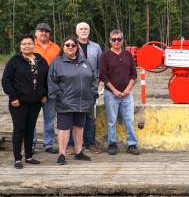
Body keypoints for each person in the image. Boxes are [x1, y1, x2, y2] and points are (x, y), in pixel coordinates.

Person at [48, 37, 99, 165]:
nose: (70, 47)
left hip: (83, 101)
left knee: (79, 127)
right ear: (63, 47)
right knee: (64, 128)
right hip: (65, 101)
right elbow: (51, 81)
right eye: (67, 45)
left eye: (73, 45)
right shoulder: (57, 62)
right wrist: (58, 95)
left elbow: (93, 79)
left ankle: (79, 152)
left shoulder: (84, 62)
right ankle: (62, 154)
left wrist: (93, 93)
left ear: (77, 48)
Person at [2, 34, 49, 169]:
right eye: (24, 44)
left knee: (30, 129)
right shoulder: (14, 61)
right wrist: (13, 97)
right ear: (20, 46)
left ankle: (29, 156)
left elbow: (46, 79)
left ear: (34, 45)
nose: (27, 46)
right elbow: (6, 80)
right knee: (19, 129)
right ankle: (18, 158)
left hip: (36, 101)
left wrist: (45, 94)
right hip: (19, 101)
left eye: (29, 43)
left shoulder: (41, 60)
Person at [99, 30, 140, 155]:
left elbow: (134, 73)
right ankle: (112, 144)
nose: (116, 41)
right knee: (111, 120)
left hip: (127, 93)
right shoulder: (105, 55)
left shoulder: (128, 55)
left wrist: (128, 88)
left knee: (129, 119)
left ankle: (132, 144)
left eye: (119, 39)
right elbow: (103, 75)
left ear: (122, 40)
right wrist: (114, 90)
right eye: (114, 39)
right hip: (111, 94)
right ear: (110, 41)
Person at [66, 22, 102, 155]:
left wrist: (97, 81)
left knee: (89, 116)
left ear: (89, 31)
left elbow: (100, 66)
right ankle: (70, 145)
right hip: (72, 87)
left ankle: (89, 143)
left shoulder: (96, 47)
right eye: (81, 28)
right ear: (76, 31)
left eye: (85, 28)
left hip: (90, 87)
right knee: (71, 114)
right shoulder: (70, 45)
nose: (83, 30)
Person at [32, 23, 60, 154]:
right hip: (33, 88)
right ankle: (30, 144)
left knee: (50, 118)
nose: (44, 33)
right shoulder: (29, 45)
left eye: (47, 31)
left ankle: (48, 144)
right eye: (41, 31)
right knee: (31, 117)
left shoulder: (56, 47)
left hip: (51, 88)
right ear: (36, 32)